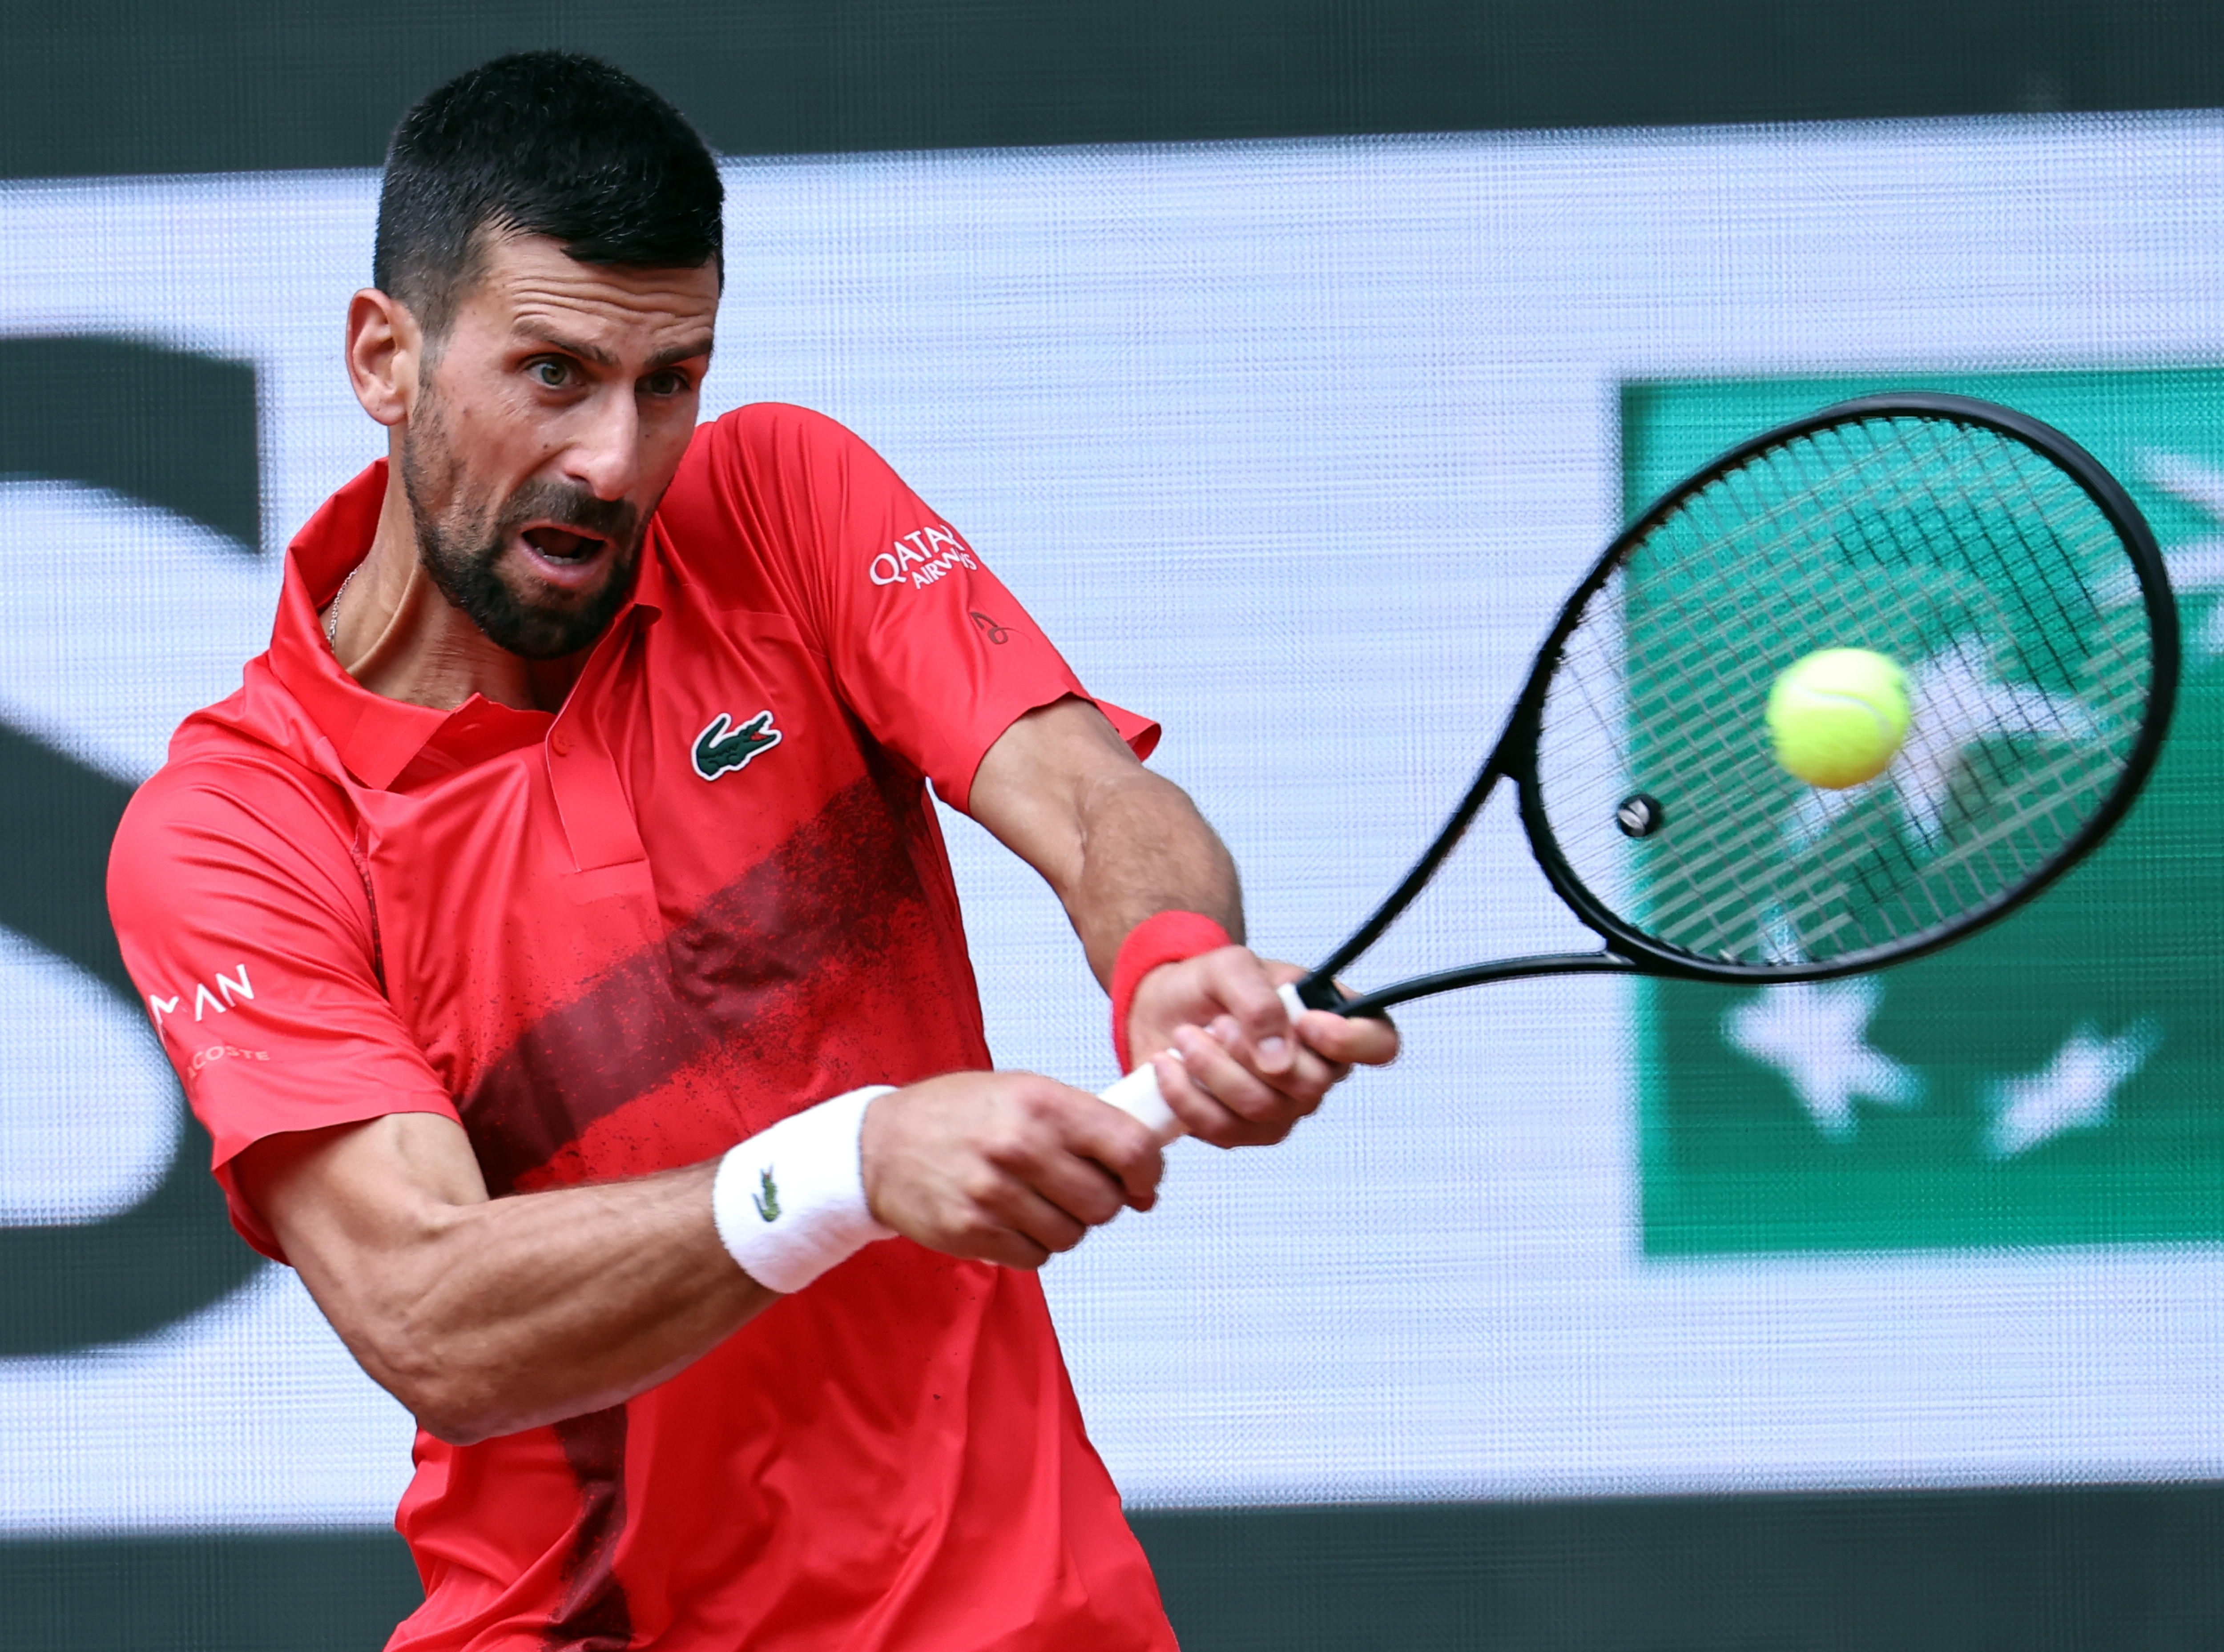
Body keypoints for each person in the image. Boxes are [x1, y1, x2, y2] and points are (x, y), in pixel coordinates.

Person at [107, 51, 1396, 1652]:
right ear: (387, 356)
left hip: (1019, 1616)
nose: (615, 460)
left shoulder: (780, 501)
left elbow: (1086, 795)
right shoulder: (240, 830)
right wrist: (849, 1165)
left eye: (671, 381)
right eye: (555, 373)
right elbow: (429, 1308)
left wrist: (1172, 961)